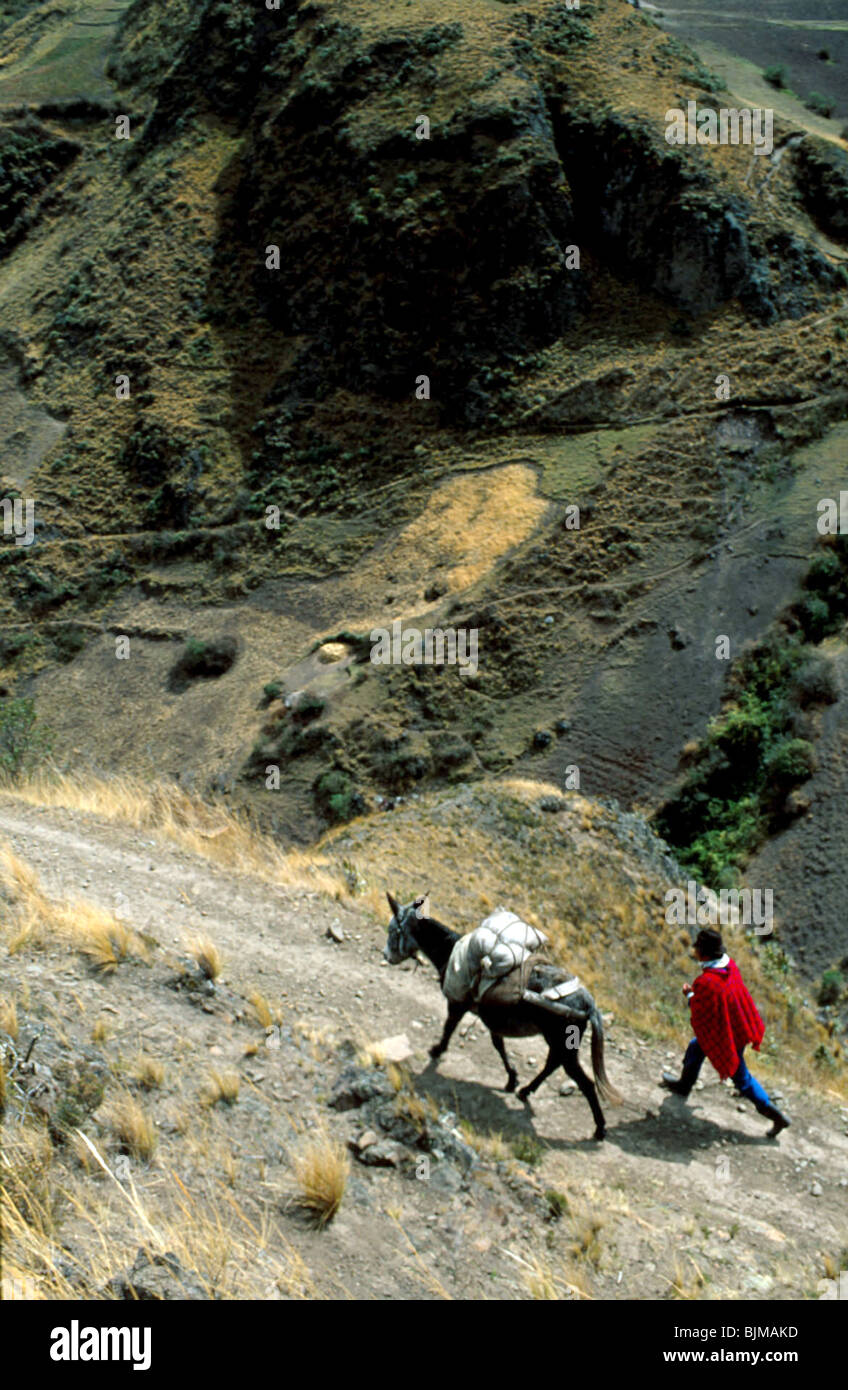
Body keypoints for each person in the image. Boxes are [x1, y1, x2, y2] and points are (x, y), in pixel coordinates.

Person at [661, 927, 790, 1138]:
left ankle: (777, 1117)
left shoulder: (707, 982)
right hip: (736, 1025)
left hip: (727, 1035)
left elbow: (700, 1009)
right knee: (696, 1047)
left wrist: (690, 994)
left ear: (704, 953)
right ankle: (683, 1086)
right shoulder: (729, 966)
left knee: (742, 1078)